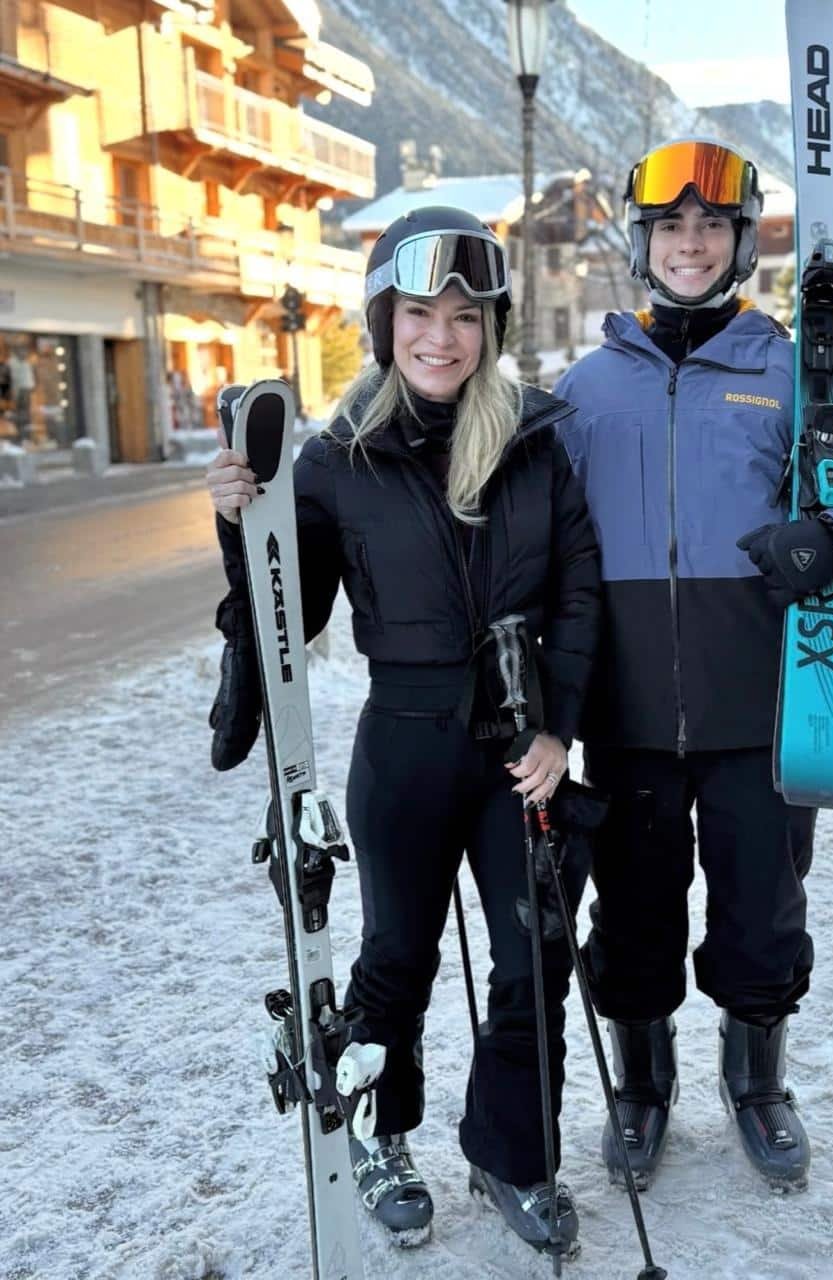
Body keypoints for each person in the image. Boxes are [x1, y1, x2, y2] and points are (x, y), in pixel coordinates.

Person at [554, 138, 833, 1191]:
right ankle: (642, 1085)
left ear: (739, 243)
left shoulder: (792, 374)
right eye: (670, 226)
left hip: (765, 710)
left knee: (763, 914)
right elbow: (512, 515)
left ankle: (757, 1080)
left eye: (711, 226)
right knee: (632, 913)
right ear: (641, 242)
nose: (690, 243)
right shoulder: (586, 391)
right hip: (625, 715)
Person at [206, 207, 601, 1253]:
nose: (442, 336)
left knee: (533, 956)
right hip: (406, 739)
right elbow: (291, 611)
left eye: (466, 316)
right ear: (384, 322)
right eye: (420, 312)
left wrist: (558, 728)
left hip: (518, 743)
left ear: (492, 328)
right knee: (396, 956)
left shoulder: (535, 441)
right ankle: (385, 1138)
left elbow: (579, 592)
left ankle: (512, 1151)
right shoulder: (339, 460)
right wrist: (244, 520)